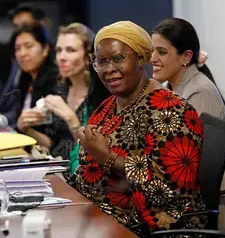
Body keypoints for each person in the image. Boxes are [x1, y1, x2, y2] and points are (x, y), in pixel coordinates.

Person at [72, 21, 206, 235]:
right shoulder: (109, 105)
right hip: (97, 216)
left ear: (141, 59)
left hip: (147, 228)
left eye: (118, 59)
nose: (109, 70)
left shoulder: (170, 111)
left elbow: (167, 191)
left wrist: (105, 156)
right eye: (101, 62)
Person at [151, 17, 225, 231]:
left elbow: (185, 158)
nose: (152, 58)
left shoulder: (199, 91)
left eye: (161, 52)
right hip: (190, 188)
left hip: (215, 197)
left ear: (186, 57)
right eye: (152, 51)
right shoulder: (169, 87)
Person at [16, 23, 110, 172]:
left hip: (83, 173)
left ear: (88, 57)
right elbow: (54, 143)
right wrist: (26, 129)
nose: (61, 57)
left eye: (70, 50)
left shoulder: (100, 95)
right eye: (59, 50)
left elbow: (95, 151)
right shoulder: (59, 89)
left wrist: (70, 117)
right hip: (54, 169)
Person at [0, 22, 58, 126]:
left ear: (45, 49)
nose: (22, 54)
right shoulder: (24, 79)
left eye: (28, 46)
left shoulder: (56, 81)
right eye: (17, 48)